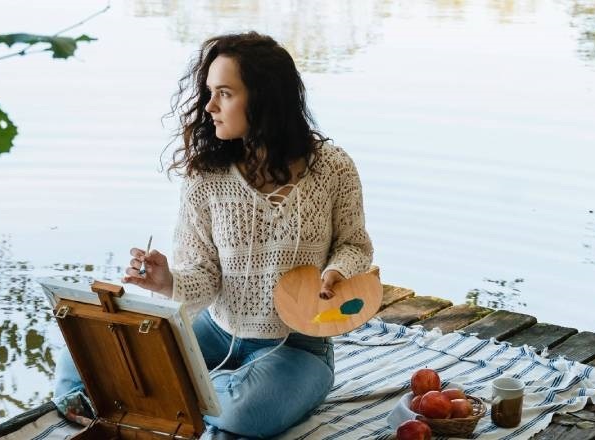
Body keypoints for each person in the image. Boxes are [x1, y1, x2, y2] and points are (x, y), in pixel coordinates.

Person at [51, 31, 373, 439]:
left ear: (263, 98)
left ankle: (159, 395)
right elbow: (203, 282)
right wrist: (169, 281)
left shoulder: (332, 167)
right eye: (209, 92)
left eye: (224, 93)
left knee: (240, 410)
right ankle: (152, 394)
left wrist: (339, 271)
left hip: (298, 346)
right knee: (85, 351)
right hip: (216, 332)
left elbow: (354, 245)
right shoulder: (206, 177)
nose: (209, 107)